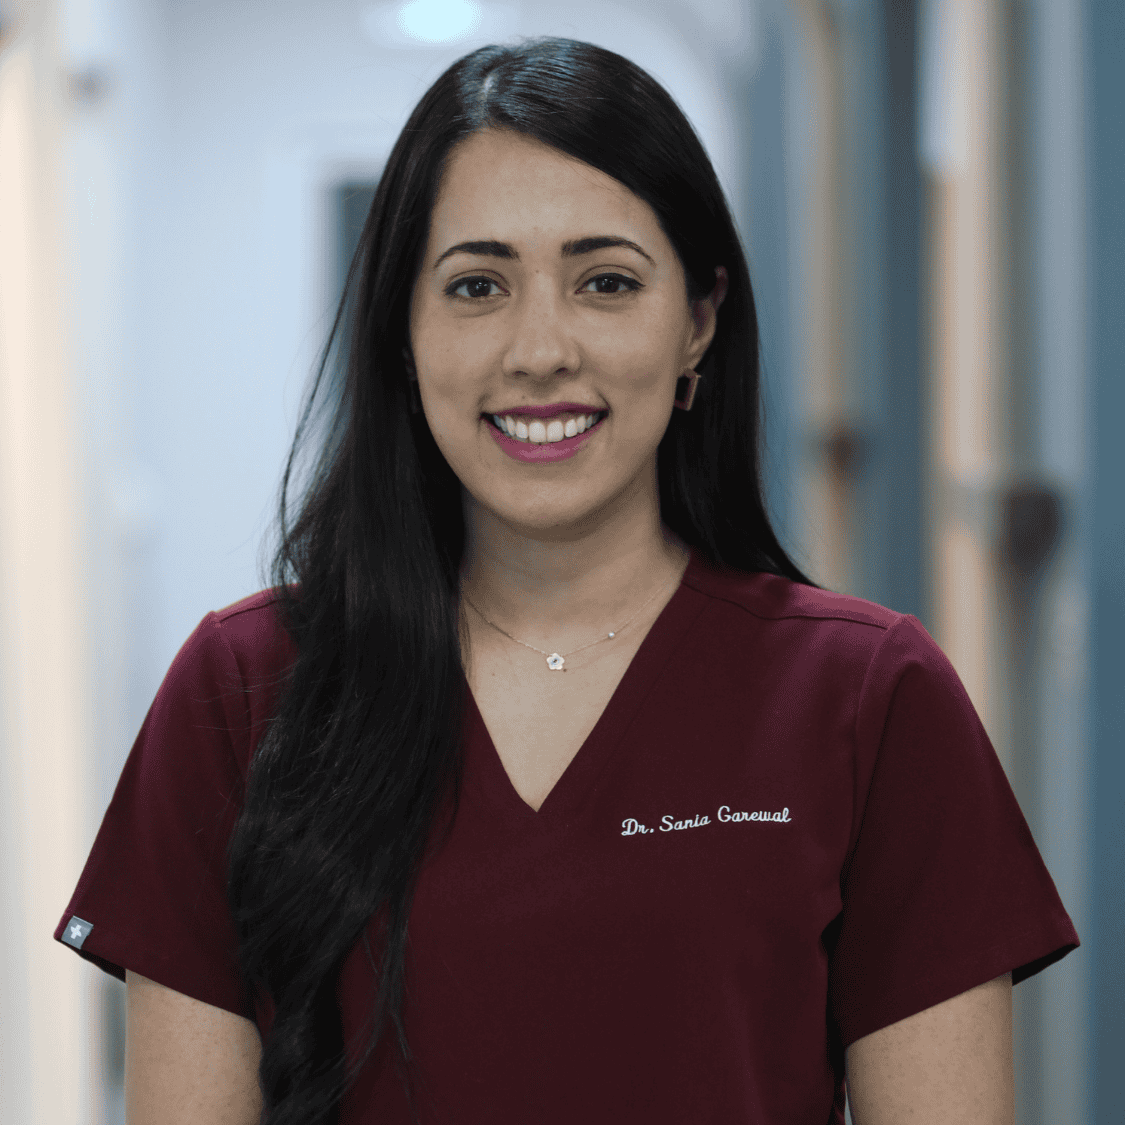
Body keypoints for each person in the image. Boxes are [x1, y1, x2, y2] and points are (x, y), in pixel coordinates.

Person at [55, 36, 1078, 1125]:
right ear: (404, 334)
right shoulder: (243, 691)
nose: (539, 350)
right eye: (477, 286)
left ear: (698, 322)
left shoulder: (870, 699)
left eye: (604, 282)